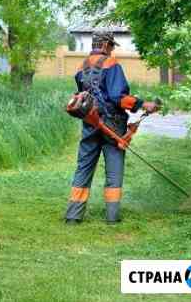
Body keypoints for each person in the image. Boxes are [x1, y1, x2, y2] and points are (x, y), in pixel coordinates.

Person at [64, 30, 159, 225]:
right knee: (114, 171)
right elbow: (118, 97)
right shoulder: (111, 64)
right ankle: (112, 217)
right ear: (106, 45)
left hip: (90, 125)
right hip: (112, 127)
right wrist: (143, 104)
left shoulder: (82, 68)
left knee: (84, 168)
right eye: (112, 46)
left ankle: (73, 216)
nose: (111, 49)